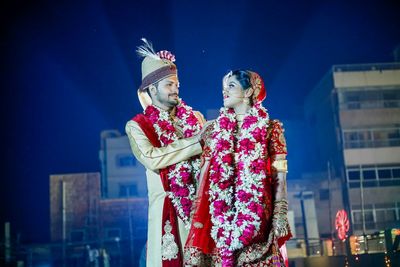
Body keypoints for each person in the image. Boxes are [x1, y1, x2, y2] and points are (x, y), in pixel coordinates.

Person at [184, 70, 291, 266]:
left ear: (249, 91)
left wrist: (281, 212)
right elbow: (201, 172)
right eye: (224, 86)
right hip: (220, 217)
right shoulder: (213, 131)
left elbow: (280, 176)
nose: (224, 90)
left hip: (259, 218)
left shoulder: (270, 129)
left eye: (231, 85)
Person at [125, 39, 206, 267]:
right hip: (166, 215)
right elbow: (153, 158)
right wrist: (197, 142)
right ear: (152, 89)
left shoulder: (195, 119)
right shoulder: (138, 126)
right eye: (169, 84)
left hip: (201, 213)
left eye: (177, 83)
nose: (176, 89)